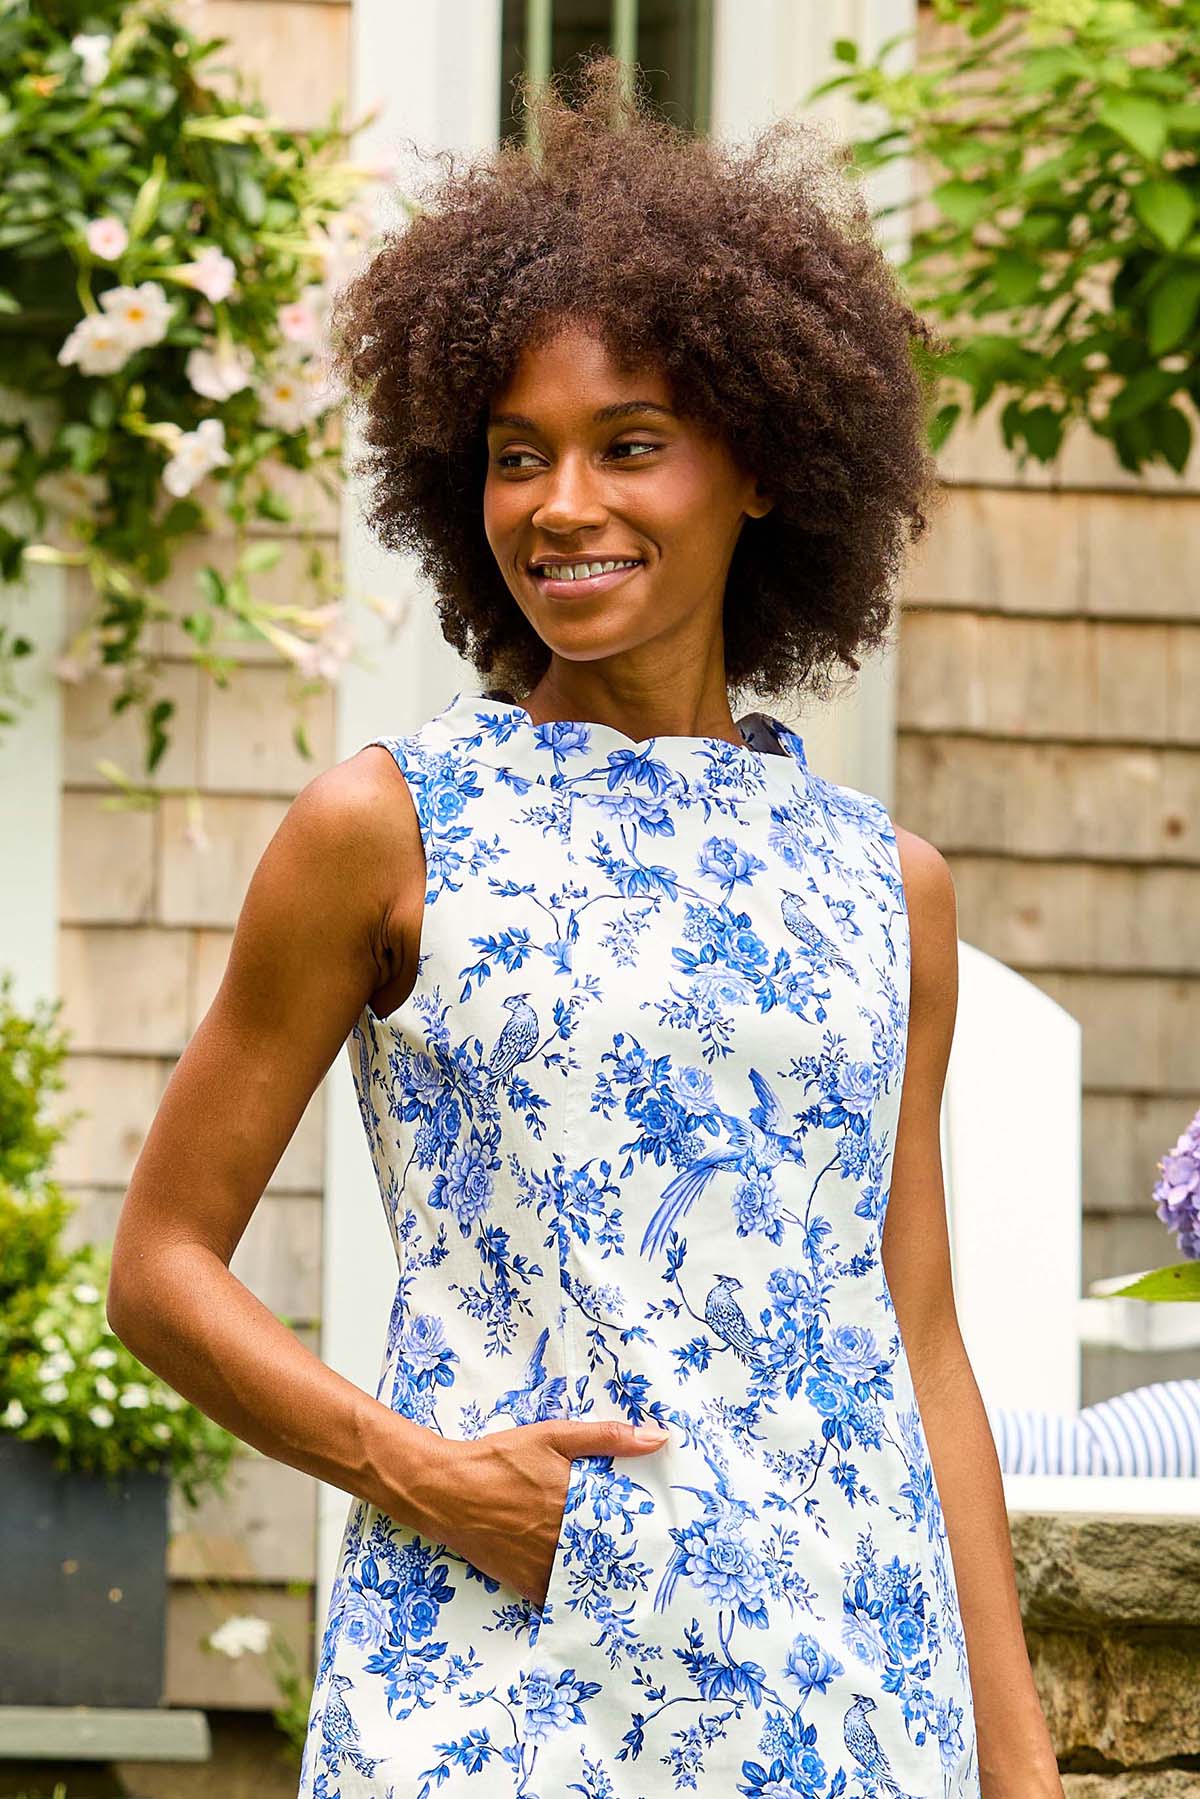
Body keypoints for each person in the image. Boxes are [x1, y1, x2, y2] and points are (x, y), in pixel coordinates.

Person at [108, 54, 1064, 1799]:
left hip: (850, 1688)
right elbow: (159, 1269)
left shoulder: (886, 889)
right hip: (506, 1685)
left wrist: (1022, 1766)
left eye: (633, 446)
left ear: (764, 471)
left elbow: (917, 1343)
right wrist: (425, 1474)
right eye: (515, 456)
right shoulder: (388, 830)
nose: (562, 506)